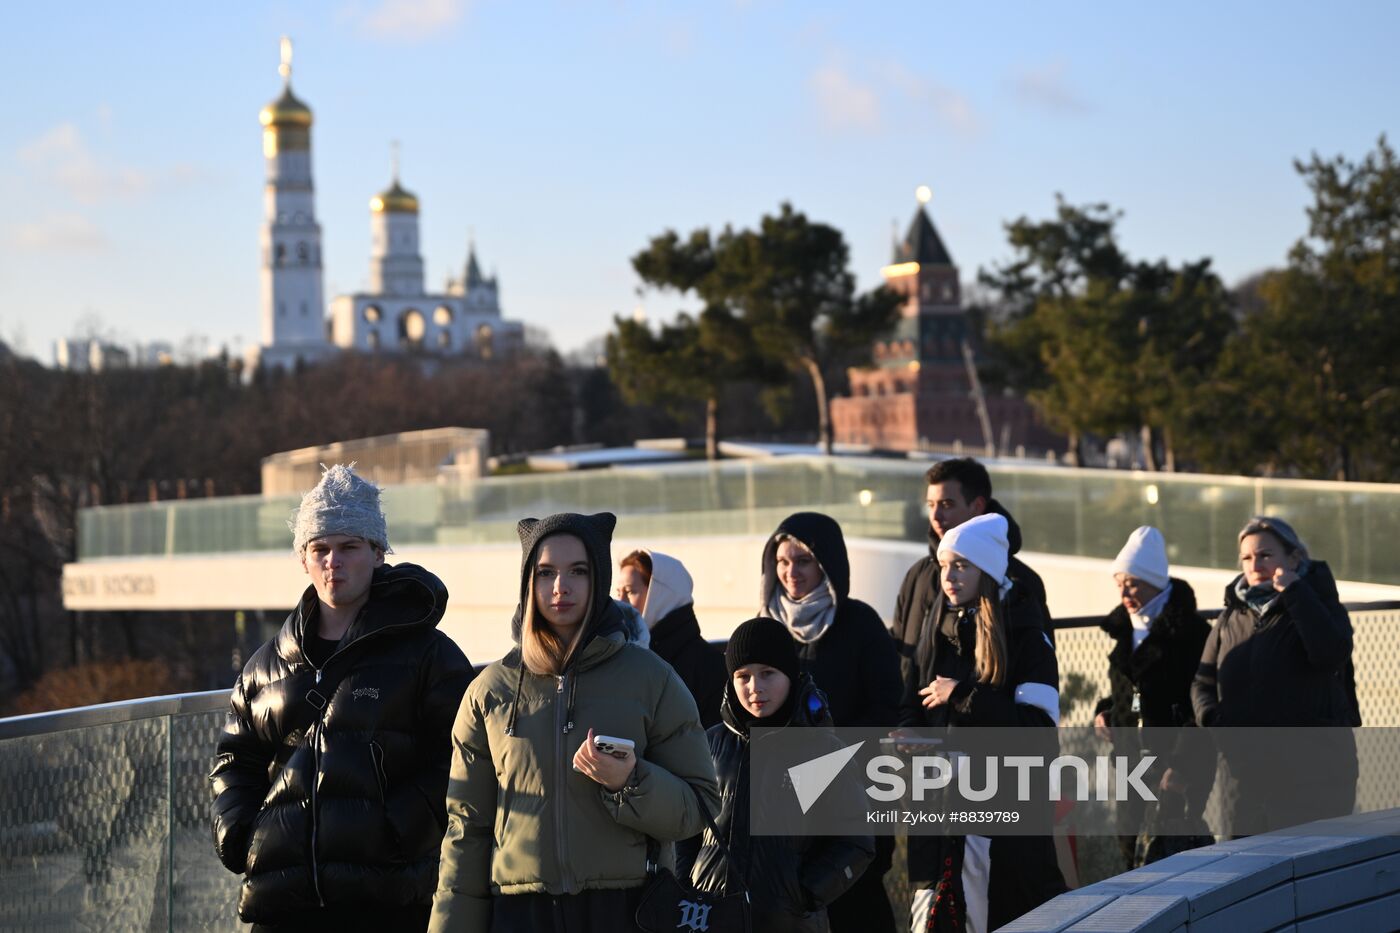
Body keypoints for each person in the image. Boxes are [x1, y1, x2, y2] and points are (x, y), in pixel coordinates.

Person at [210, 464, 474, 931]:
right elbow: (235, 759)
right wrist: (240, 836)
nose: (334, 561)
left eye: (349, 547)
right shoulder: (267, 664)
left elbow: (460, 759)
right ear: (303, 558)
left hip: (386, 901)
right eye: (321, 549)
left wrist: (398, 829)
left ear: (377, 552)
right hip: (281, 900)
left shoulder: (427, 654)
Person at [430, 512, 720, 932]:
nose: (560, 587)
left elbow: (700, 807)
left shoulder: (651, 678)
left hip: (626, 911)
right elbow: (465, 831)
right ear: (528, 581)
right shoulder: (490, 691)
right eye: (545, 572)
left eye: (578, 572)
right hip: (518, 914)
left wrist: (631, 782)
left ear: (598, 579)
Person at [898, 513, 1065, 933]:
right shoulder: (936, 630)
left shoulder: (1026, 635)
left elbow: (1040, 735)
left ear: (987, 570)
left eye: (962, 565)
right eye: (944, 565)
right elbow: (913, 703)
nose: (948, 575)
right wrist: (908, 735)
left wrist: (963, 695)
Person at [677, 617, 874, 932]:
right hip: (708, 918)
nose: (755, 687)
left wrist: (805, 893)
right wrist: (687, 884)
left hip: (788, 922)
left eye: (768, 673)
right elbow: (685, 828)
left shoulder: (822, 748)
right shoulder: (709, 743)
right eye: (743, 676)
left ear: (790, 675)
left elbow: (856, 840)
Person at [757, 511, 902, 933]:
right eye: (782, 562)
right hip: (788, 803)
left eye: (802, 561)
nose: (790, 572)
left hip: (856, 794)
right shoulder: (767, 628)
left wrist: (827, 764)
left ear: (827, 564)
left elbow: (884, 710)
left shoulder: (860, 623)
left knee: (860, 905)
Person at [1191, 516, 1359, 837]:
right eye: (1246, 558)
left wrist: (1296, 591)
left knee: (1311, 871)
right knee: (1246, 872)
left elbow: (1330, 651)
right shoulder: (1231, 615)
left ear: (1293, 558)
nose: (1255, 565)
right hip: (1245, 777)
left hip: (1313, 777)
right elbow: (1203, 682)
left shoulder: (1318, 602)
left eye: (1265, 555)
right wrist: (1215, 721)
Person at [1092, 526, 1214, 868]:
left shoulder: (1192, 633)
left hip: (1175, 762)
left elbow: (1202, 704)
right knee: (1130, 847)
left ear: (1155, 582)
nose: (1125, 592)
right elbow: (1127, 692)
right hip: (1132, 759)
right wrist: (1106, 712)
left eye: (1133, 583)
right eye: (1119, 584)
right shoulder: (1126, 630)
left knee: (1170, 853)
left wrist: (1181, 765)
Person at [892, 459, 1052, 677]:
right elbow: (898, 646)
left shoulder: (1019, 583)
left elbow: (1039, 667)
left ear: (977, 506)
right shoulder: (918, 574)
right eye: (931, 505)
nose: (935, 517)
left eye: (947, 504)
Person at [617, 549, 726, 729]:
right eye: (618, 591)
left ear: (660, 595)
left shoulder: (709, 667)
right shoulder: (622, 658)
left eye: (630, 592)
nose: (620, 601)